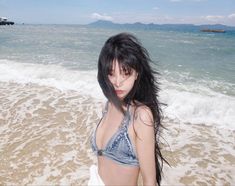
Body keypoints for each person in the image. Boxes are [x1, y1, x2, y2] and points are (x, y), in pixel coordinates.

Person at [89, 33, 167, 186]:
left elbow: (149, 181)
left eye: (125, 73)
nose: (118, 82)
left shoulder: (141, 115)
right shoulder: (109, 105)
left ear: (137, 73)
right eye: (111, 73)